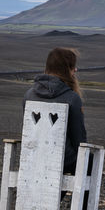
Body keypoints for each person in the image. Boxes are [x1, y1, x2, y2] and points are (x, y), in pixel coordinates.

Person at [25, 46, 87, 174]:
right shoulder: (72, 98)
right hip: (63, 160)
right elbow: (79, 141)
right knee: (88, 160)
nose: (75, 70)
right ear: (67, 70)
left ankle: (51, 194)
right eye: (72, 67)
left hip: (33, 155)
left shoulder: (29, 95)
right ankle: (74, 195)